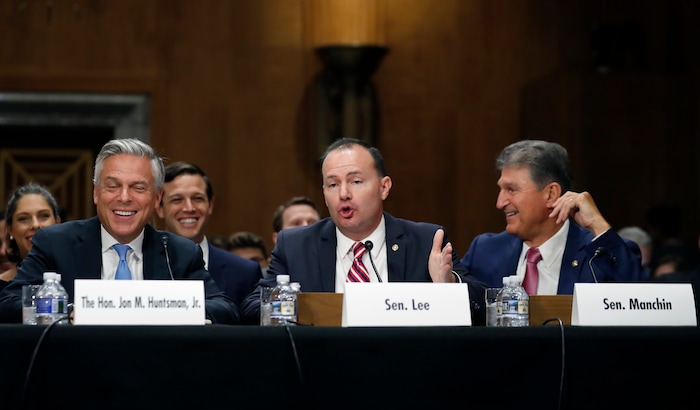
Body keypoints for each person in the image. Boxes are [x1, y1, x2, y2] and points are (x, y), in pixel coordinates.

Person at [240, 137, 487, 324]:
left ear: (384, 187)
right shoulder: (295, 245)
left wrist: (449, 286)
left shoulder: (425, 242)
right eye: (332, 184)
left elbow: (482, 305)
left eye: (356, 181)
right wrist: (295, 306)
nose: (344, 193)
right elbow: (251, 307)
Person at [0, 138, 239, 324]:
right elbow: (8, 303)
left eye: (138, 187)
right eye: (113, 186)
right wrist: (70, 310)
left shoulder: (179, 253)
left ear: (156, 198)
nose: (124, 198)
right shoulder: (56, 243)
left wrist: (164, 308)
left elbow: (225, 309)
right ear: (96, 193)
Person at [460, 139, 647, 299]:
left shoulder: (596, 255)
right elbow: (460, 303)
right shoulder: (485, 250)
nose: (500, 203)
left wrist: (597, 224)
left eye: (512, 190)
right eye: (501, 190)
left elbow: (639, 303)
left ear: (551, 194)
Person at [155, 161, 261, 308]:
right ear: (159, 208)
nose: (189, 208)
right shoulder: (141, 264)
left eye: (197, 198)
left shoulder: (245, 272)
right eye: (177, 200)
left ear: (210, 205)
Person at [0, 184, 62, 289]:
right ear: (10, 229)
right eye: (23, 218)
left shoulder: (78, 278)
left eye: (44, 216)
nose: (35, 225)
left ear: (57, 223)